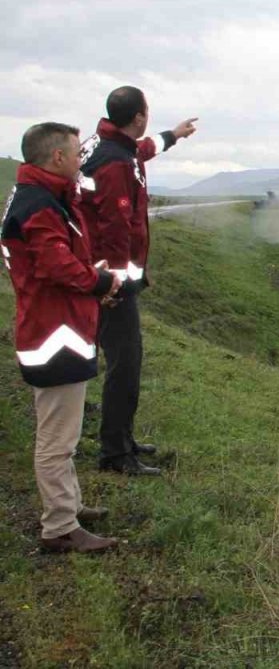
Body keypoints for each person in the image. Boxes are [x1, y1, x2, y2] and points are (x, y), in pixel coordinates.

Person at [2, 123, 122, 552]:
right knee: (57, 439)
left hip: (59, 326)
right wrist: (100, 282)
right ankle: (59, 528)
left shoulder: (42, 197)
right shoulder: (40, 207)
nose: (80, 160)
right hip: (56, 335)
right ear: (56, 158)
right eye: (75, 154)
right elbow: (58, 267)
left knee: (63, 431)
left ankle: (68, 506)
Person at [79, 86, 197, 476]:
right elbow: (114, 231)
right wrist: (115, 285)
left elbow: (140, 151)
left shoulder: (112, 145)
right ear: (138, 117)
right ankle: (115, 454)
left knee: (124, 361)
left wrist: (172, 136)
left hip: (104, 278)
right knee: (125, 365)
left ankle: (123, 439)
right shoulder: (114, 164)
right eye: (147, 112)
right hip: (111, 284)